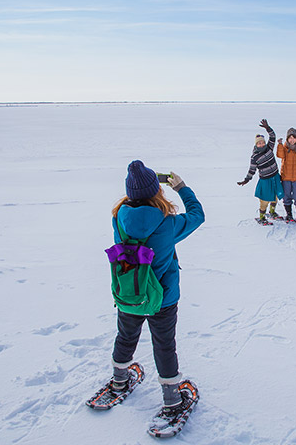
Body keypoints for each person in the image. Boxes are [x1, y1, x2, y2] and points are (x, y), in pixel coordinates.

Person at [110, 160, 205, 421]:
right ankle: (172, 400)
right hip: (162, 297)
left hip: (129, 292)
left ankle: (119, 381)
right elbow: (198, 215)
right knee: (164, 345)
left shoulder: (118, 218)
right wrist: (182, 188)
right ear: (156, 190)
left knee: (126, 336)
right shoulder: (166, 223)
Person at [237, 119, 284, 225]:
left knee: (275, 196)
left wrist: (268, 128)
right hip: (265, 181)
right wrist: (246, 180)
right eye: (259, 143)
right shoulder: (255, 157)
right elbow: (252, 170)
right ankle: (262, 217)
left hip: (275, 177)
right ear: (256, 144)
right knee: (264, 200)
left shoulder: (269, 148)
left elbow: (273, 137)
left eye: (262, 142)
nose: (262, 144)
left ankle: (272, 212)